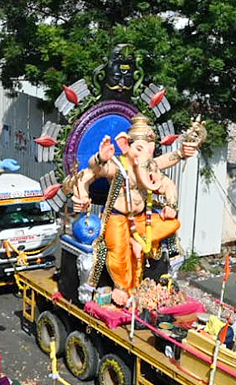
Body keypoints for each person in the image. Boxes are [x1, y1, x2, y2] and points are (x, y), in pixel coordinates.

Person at [71, 113, 204, 293]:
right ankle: (122, 288)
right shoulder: (117, 165)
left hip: (142, 218)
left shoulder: (149, 166)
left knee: (171, 223)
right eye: (139, 149)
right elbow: (95, 169)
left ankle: (140, 244)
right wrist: (100, 158)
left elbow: (167, 184)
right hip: (117, 218)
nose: (145, 155)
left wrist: (171, 205)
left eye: (149, 149)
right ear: (125, 145)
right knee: (118, 252)